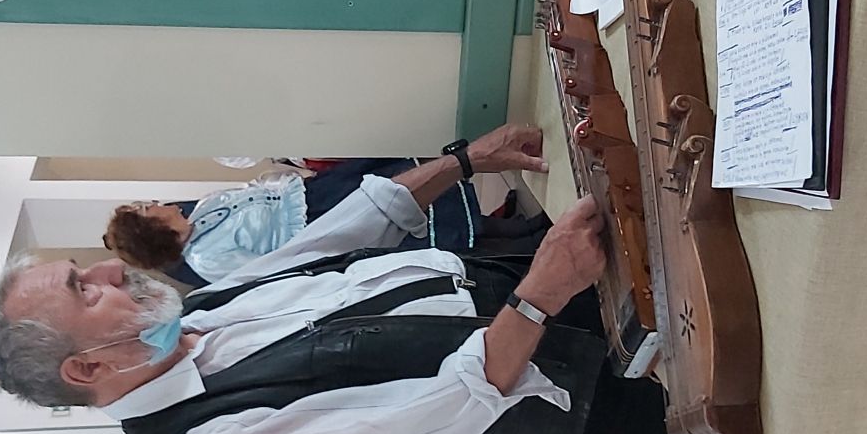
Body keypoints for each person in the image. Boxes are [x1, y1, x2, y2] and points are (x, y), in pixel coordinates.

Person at [0, 123, 722, 434]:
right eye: (83, 289)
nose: (109, 272)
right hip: (571, 409)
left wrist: (464, 162)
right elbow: (430, 424)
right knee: (747, 387)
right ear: (85, 368)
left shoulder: (196, 314)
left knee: (716, 274)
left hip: (536, 295)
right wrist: (538, 298)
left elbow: (334, 240)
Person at [103, 157, 545, 288]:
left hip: (318, 196)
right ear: (151, 230)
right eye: (146, 209)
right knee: (416, 224)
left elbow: (256, 190)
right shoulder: (207, 259)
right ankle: (528, 237)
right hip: (325, 229)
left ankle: (523, 228)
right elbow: (274, 268)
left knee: (417, 196)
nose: (155, 204)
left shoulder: (201, 211)